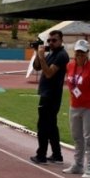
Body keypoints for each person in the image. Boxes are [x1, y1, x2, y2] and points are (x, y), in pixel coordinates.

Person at [61, 39, 90, 178]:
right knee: (77, 137)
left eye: (82, 52)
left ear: (87, 53)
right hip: (74, 106)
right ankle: (78, 164)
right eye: (77, 51)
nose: (79, 54)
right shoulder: (70, 66)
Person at [30, 29, 69, 164]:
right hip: (48, 94)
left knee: (43, 126)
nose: (51, 43)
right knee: (52, 126)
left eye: (54, 40)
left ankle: (41, 155)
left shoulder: (62, 55)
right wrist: (37, 52)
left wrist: (41, 56)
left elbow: (48, 73)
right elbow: (37, 67)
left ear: (61, 41)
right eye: (49, 40)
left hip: (51, 96)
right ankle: (57, 155)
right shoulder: (52, 54)